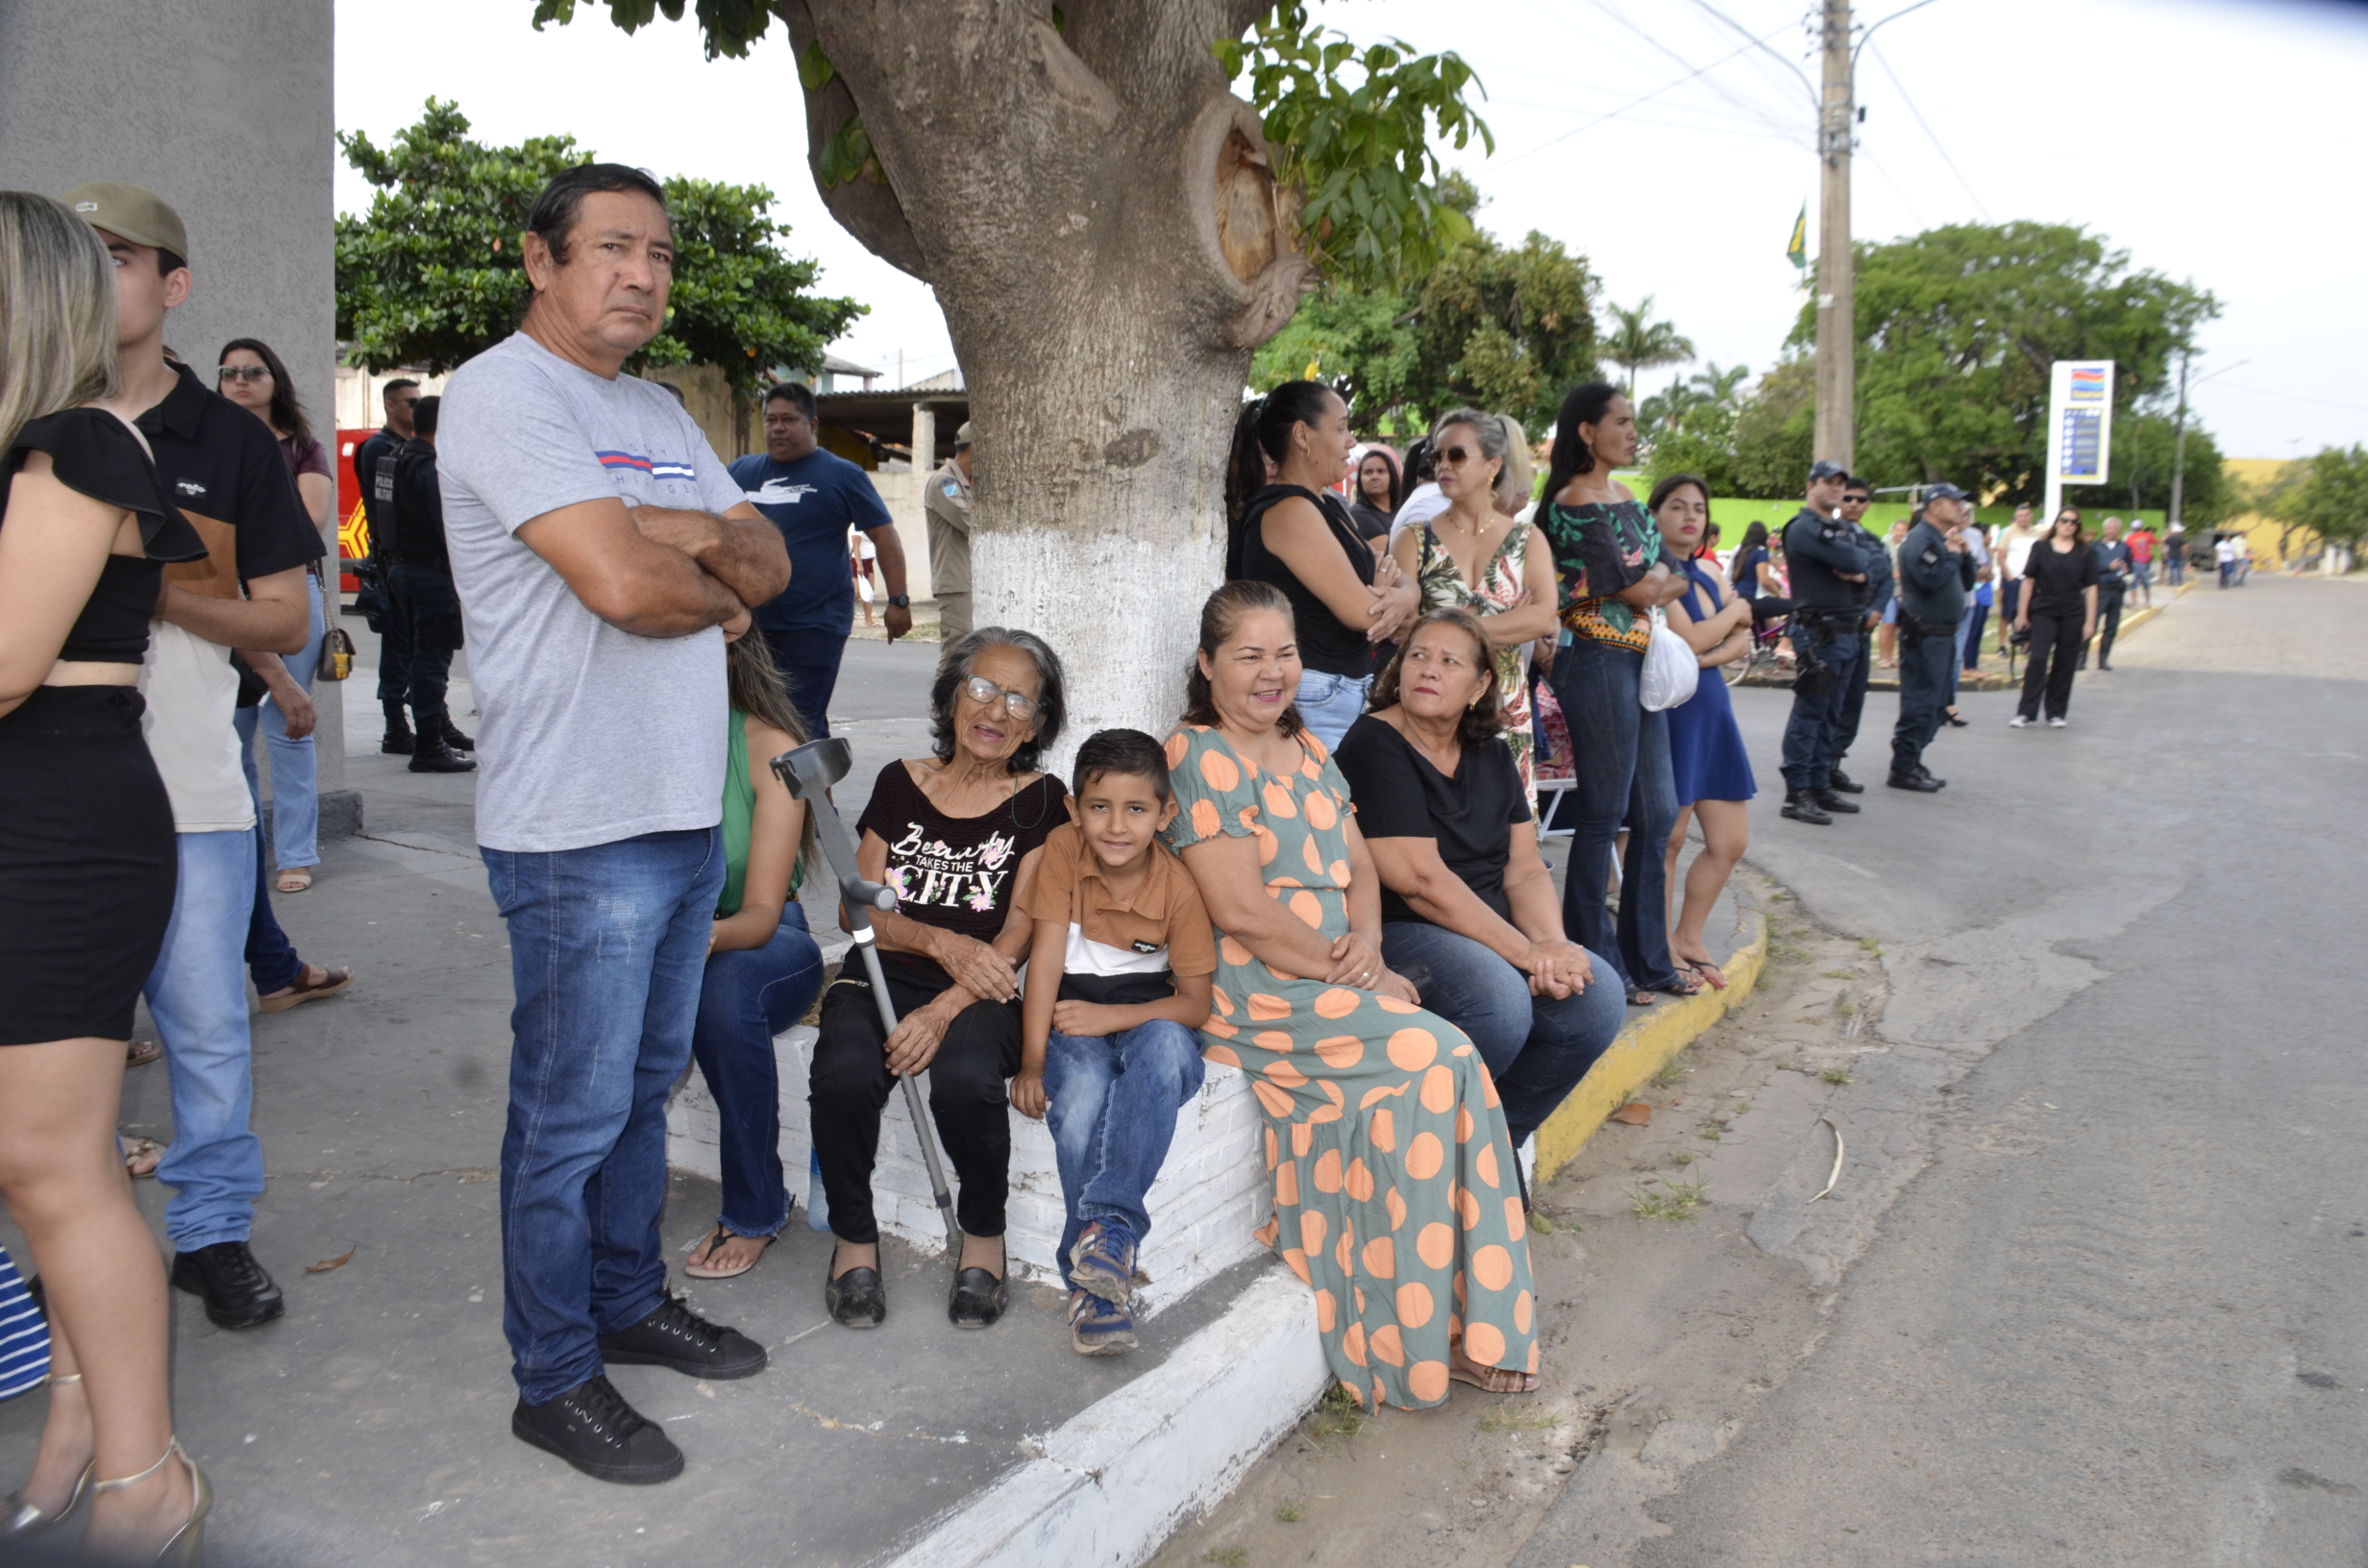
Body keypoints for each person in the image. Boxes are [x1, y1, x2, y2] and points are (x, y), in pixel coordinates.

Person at [435, 163, 791, 1484]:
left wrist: (670, 533)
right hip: (573, 825)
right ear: (540, 258)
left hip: (679, 810)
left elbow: (771, 563)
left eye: (660, 255)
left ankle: (628, 1303)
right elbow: (626, 591)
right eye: (611, 249)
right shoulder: (502, 394)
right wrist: (691, 567)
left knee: (643, 1095)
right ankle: (554, 1373)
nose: (641, 274)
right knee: (568, 1117)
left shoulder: (651, 408)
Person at [1165, 580, 1541, 1408]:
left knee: (1448, 1067)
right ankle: (1430, 1336)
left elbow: (1361, 867)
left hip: (1337, 973)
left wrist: (1369, 946)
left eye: (1287, 654)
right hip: (1262, 994)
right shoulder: (1195, 756)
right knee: (1440, 1052)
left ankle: (1471, 1323)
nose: (1274, 674)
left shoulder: (1305, 747)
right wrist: (1357, 973)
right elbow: (1242, 914)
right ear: (1207, 665)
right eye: (1250, 656)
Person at [67, 182, 321, 1335]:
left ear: (171, 284)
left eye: (115, 255)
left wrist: (160, 588)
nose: (91, 273)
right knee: (55, 1046)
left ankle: (210, 1234)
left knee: (206, 1025)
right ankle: (70, 1249)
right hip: (43, 802)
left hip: (192, 792)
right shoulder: (29, 415)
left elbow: (281, 621)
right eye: (76, 255)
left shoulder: (228, 443)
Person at [0, 187, 211, 1563]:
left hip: (62, 822)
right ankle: (78, 1408)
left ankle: (148, 1480)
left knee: (48, 1159)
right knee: (31, 1163)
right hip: (35, 811)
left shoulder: (82, 445)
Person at [808, 629, 1070, 1331]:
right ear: (953, 697)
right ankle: (854, 1240)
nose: (995, 710)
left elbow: (1021, 929)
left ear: (1038, 723)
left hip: (981, 989)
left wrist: (946, 1005)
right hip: (882, 972)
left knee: (963, 1077)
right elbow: (852, 902)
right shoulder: (901, 781)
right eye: (981, 688)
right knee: (843, 1070)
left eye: (1019, 699)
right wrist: (940, 941)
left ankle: (984, 1236)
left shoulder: (1045, 799)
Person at [1336, 607, 1625, 1167]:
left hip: (1487, 932)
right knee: (1499, 1001)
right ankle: (1417, 1152)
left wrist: (1555, 950)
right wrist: (1526, 953)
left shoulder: (1493, 751)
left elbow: (1523, 867)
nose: (1428, 669)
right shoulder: (1375, 742)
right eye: (1418, 655)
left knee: (1598, 997)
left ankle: (1494, 1147)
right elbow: (1418, 880)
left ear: (1482, 683)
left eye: (1449, 661)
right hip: (1404, 930)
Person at [1013, 729, 1216, 1357]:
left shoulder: (1178, 889)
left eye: (1137, 809)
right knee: (1082, 1094)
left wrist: (1110, 1022)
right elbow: (1044, 960)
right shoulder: (1061, 855)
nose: (1117, 826)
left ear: (1165, 814)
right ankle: (1100, 1284)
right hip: (1072, 1011)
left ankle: (1108, 1229)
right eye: (1099, 807)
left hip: (1151, 1016)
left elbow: (1195, 1004)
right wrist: (1032, 1061)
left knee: (1162, 1049)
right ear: (1075, 810)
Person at [1534, 382, 1696, 1003]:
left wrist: (1646, 582)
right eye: (1622, 422)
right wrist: (1646, 582)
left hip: (1639, 660)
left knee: (1658, 812)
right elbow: (1636, 587)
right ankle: (1602, 964)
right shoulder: (1572, 504)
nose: (1632, 432)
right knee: (1602, 814)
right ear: (1586, 431)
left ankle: (1650, 961)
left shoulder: (1627, 497)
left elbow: (1668, 577)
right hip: (1595, 661)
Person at [678, 633, 826, 1282]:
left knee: (723, 989)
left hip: (766, 939)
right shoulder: (639, 743)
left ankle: (755, 1206)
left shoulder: (769, 748)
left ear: (733, 656)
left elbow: (762, 913)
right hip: (672, 938)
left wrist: (694, 939)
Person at [1224, 381, 1418, 751]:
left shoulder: (1324, 503)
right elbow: (1365, 613)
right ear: (1302, 435)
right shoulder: (1290, 510)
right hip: (1315, 697)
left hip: (1339, 691)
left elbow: (1396, 577)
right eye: (1342, 427)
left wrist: (1405, 595)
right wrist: (1394, 595)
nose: (1351, 441)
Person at [1392, 409, 1556, 804]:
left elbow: (1542, 616)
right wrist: (1505, 624)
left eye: (1457, 455)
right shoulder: (1415, 539)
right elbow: (1401, 627)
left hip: (1506, 709)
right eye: (1437, 456)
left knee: (1508, 837)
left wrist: (1445, 630)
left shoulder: (1527, 538)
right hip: (1432, 711)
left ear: (1493, 466)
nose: (1443, 465)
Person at [216, 337, 333, 889]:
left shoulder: (302, 448)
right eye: (229, 372)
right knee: (228, 729)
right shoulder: (208, 445)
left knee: (288, 727)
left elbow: (308, 522)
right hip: (219, 597)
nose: (240, 381)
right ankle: (243, 846)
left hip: (289, 592)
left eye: (253, 371)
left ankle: (295, 855)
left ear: (274, 381)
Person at [729, 380, 910, 738]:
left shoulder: (841, 475)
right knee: (749, 720)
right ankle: (790, 794)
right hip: (747, 622)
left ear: (812, 425)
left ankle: (806, 796)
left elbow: (884, 535)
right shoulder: (740, 472)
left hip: (813, 623)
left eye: (788, 419)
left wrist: (899, 600)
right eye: (770, 419)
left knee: (798, 721)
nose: (777, 427)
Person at [1648, 477, 1757, 988]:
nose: (1690, 516)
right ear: (1654, 514)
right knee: (1667, 841)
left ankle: (1688, 935)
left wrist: (1703, 654)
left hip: (1713, 714)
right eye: (1677, 506)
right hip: (1675, 714)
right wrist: (1733, 612)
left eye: (1698, 508)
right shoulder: (1655, 573)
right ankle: (1659, 944)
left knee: (1730, 841)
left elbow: (1739, 645)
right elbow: (1696, 637)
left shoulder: (1706, 572)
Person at [1774, 459, 1872, 825]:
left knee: (1831, 713)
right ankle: (1796, 791)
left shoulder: (1836, 528)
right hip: (1818, 633)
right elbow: (1854, 558)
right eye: (1828, 482)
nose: (1836, 488)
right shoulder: (1804, 527)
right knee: (1810, 713)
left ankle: (1818, 784)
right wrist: (1853, 564)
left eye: (1840, 483)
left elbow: (1868, 563)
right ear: (1810, 485)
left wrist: (1856, 566)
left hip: (1844, 633)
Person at [384, 396, 475, 774]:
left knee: (421, 656)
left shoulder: (399, 457)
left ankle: (437, 731)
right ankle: (428, 744)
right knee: (432, 659)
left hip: (403, 569)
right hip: (431, 573)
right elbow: (448, 529)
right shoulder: (430, 468)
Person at [1889, 485, 1979, 788]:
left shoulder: (1943, 540)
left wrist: (1963, 555)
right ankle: (1902, 767)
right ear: (1934, 506)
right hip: (1925, 635)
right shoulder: (1919, 539)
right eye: (1954, 503)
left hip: (1944, 634)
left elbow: (1966, 582)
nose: (1960, 508)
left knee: (1938, 702)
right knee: (1921, 702)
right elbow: (1930, 581)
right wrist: (1953, 556)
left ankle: (1913, 760)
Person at [355, 377, 418, 753]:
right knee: (398, 646)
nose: (416, 407)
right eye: (410, 402)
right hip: (392, 563)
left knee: (421, 644)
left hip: (410, 561)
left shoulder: (407, 446)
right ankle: (395, 725)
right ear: (391, 405)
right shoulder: (380, 448)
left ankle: (430, 717)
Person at [1826, 475, 1887, 796]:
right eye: (1848, 498)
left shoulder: (1874, 539)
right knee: (1830, 703)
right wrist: (1865, 569)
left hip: (1864, 628)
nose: (1853, 504)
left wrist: (1876, 608)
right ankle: (1819, 771)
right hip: (1837, 627)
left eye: (1860, 500)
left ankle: (1834, 763)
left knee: (1853, 701)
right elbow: (1843, 569)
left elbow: (1883, 572)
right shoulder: (1830, 534)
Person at [2010, 506, 2097, 729]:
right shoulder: (2041, 547)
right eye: (2064, 520)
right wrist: (2021, 613)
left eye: (2073, 522)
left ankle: (2056, 711)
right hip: (2044, 609)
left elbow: (2092, 588)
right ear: (2057, 523)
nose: (2068, 525)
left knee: (2065, 661)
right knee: (2038, 657)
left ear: (2078, 527)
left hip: (2073, 611)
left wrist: (2090, 621)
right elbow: (2028, 581)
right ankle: (2026, 712)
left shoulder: (2084, 551)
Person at [924, 420, 974, 641]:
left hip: (967, 581)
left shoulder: (964, 483)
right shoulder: (944, 482)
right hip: (956, 584)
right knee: (956, 655)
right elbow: (970, 520)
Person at [2084, 516, 2134, 671]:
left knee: (2111, 627)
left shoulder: (2125, 548)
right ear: (2104, 529)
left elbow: (2129, 568)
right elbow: (2088, 567)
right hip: (2100, 590)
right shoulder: (2094, 546)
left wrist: (2126, 571)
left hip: (2117, 591)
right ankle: (2081, 659)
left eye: (2114, 528)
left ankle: (2103, 659)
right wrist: (2108, 567)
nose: (2111, 531)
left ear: (2118, 530)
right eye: (2108, 528)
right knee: (2091, 623)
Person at [1994, 502, 2042, 627]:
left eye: (2026, 515)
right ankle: (2002, 644)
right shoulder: (2008, 532)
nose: (2023, 518)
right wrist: (2009, 578)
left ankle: (2025, 644)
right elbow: (2000, 557)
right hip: (2014, 579)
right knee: (2007, 614)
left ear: (2031, 516)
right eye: (2020, 516)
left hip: (2031, 579)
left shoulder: (2036, 533)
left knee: (2030, 612)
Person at [1346, 445, 1401, 549]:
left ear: (1392, 475)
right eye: (1368, 472)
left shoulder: (1399, 511)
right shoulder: (1358, 514)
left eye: (1381, 471)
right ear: (1360, 480)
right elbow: (1388, 555)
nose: (1374, 477)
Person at [1874, 518, 1908, 668]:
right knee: (1887, 623)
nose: (1900, 533)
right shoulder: (1885, 545)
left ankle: (1890, 657)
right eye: (1898, 529)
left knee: (1895, 625)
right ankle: (1883, 658)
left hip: (1902, 592)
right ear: (1893, 530)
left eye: (1903, 530)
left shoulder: (1906, 546)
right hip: (1888, 590)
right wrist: (1892, 573)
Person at [1727, 520, 1774, 603]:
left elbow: (1728, 574)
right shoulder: (1761, 551)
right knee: (1789, 605)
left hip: (1735, 594)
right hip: (1752, 598)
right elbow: (1764, 580)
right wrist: (1778, 592)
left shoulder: (1740, 548)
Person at [850, 522, 878, 628]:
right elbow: (856, 547)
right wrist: (859, 565)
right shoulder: (857, 526)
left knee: (869, 591)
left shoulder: (868, 525)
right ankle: (840, 610)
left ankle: (868, 620)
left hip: (869, 561)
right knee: (856, 593)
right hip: (859, 562)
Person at [2126, 518, 2157, 607]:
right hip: (2145, 563)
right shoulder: (2147, 535)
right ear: (2141, 527)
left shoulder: (2130, 538)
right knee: (2146, 583)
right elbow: (2156, 542)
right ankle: (2147, 602)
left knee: (2133, 584)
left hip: (2135, 563)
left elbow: (2128, 551)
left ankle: (2134, 603)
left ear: (2132, 528)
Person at [2162, 521, 2188, 586]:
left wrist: (2165, 554)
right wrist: (2184, 554)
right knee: (2179, 568)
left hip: (2171, 554)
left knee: (2171, 568)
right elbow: (2185, 547)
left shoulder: (2169, 538)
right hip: (2178, 555)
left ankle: (2171, 581)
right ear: (2178, 531)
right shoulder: (2181, 538)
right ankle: (2180, 581)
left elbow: (2165, 546)